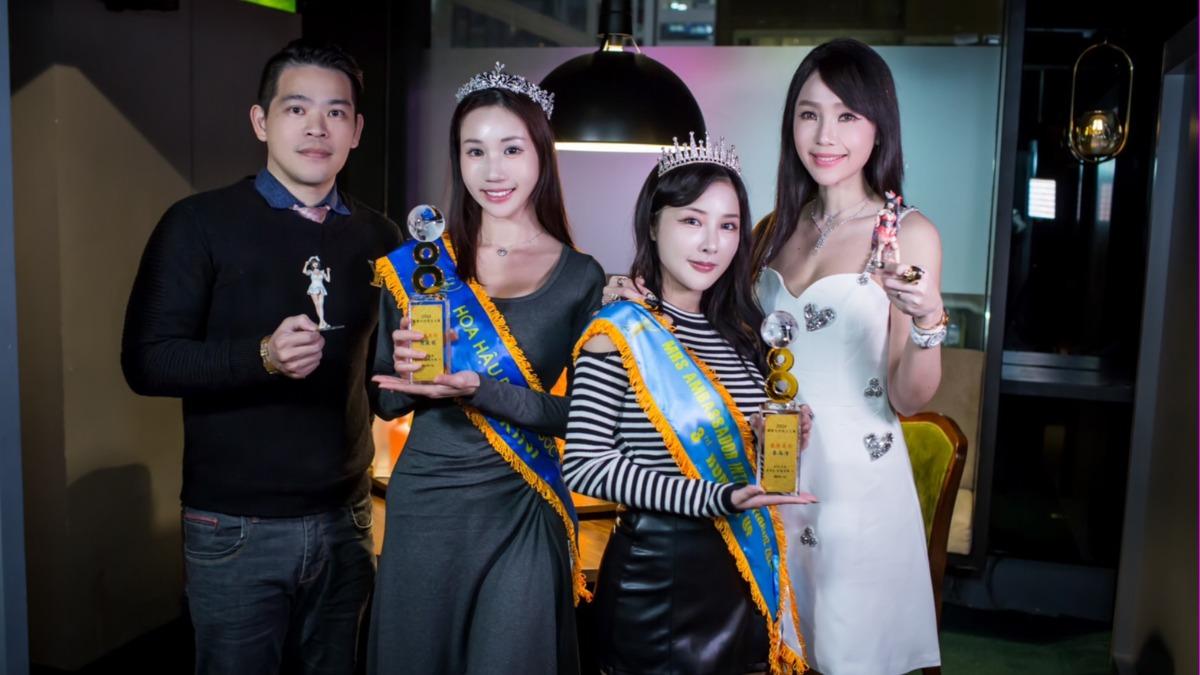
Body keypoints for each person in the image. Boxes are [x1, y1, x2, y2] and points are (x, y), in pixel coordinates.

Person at [121, 40, 400, 675]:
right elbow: (146, 362)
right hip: (234, 524)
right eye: (297, 108)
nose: (317, 127)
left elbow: (379, 390)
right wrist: (262, 357)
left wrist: (418, 375)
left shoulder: (381, 237)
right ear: (261, 121)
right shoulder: (197, 224)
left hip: (348, 518)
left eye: (336, 112)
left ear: (356, 131)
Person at [366, 63, 605, 675]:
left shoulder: (581, 276)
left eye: (511, 149)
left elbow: (583, 417)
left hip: (522, 502)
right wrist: (414, 380)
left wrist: (481, 389)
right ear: (458, 160)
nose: (493, 170)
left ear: (541, 155)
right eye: (475, 151)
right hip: (427, 502)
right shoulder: (421, 265)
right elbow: (386, 400)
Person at [566, 133, 815, 675]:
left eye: (728, 226)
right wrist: (714, 497)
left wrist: (778, 438)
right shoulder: (619, 330)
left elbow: (737, 457)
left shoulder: (743, 335)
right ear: (653, 225)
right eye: (691, 220)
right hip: (661, 580)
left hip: (743, 577)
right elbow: (584, 464)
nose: (711, 244)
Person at [750, 38, 944, 674]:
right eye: (809, 114)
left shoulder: (906, 234)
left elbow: (908, 397)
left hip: (857, 484)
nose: (824, 135)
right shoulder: (773, 229)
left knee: (846, 654)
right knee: (768, 647)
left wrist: (927, 319)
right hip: (772, 470)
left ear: (878, 125)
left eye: (846, 115)